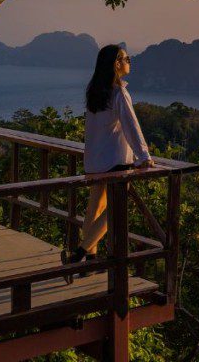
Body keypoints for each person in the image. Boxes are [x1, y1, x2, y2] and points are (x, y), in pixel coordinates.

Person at [62, 45, 155, 270]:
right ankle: (79, 254)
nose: (130, 62)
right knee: (115, 209)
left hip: (95, 159)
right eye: (126, 58)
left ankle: (90, 262)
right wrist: (144, 155)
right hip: (116, 159)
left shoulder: (95, 90)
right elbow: (132, 127)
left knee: (95, 208)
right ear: (116, 63)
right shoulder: (118, 93)